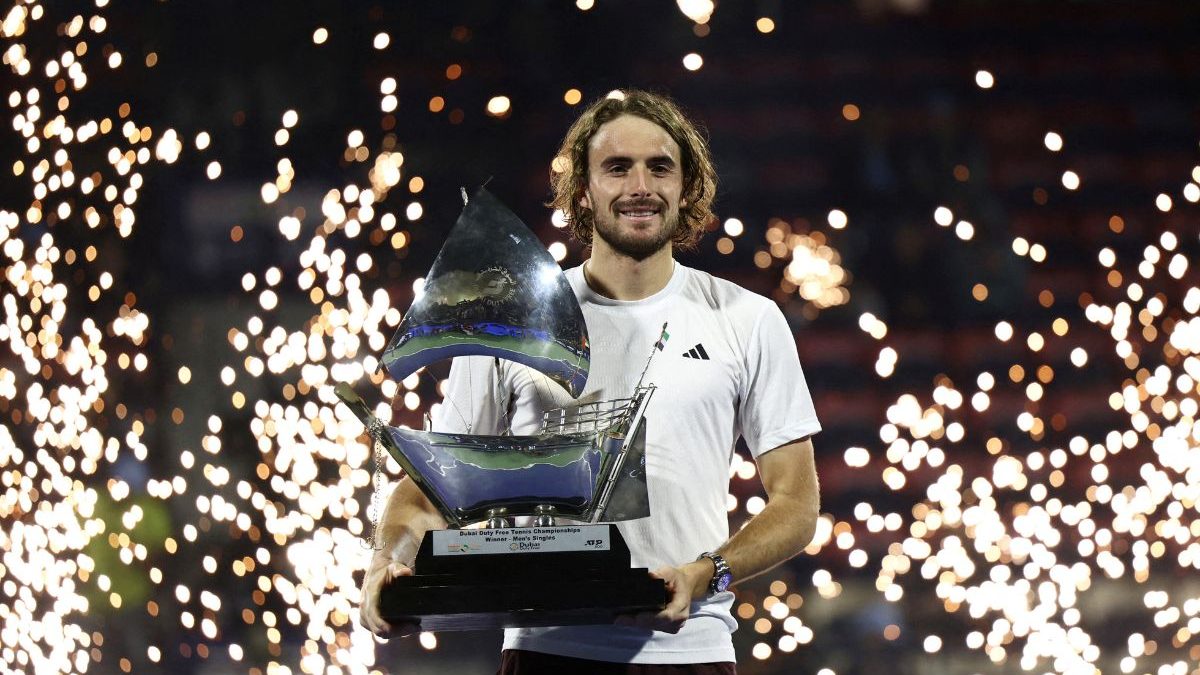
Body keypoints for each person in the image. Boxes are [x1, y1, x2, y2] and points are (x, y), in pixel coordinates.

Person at [359, 89, 822, 674]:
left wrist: (704, 575)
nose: (640, 187)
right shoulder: (510, 319)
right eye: (617, 168)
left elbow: (796, 505)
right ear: (582, 189)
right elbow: (429, 488)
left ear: (686, 187)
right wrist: (384, 564)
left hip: (692, 651)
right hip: (545, 650)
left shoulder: (747, 319)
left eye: (660, 168)